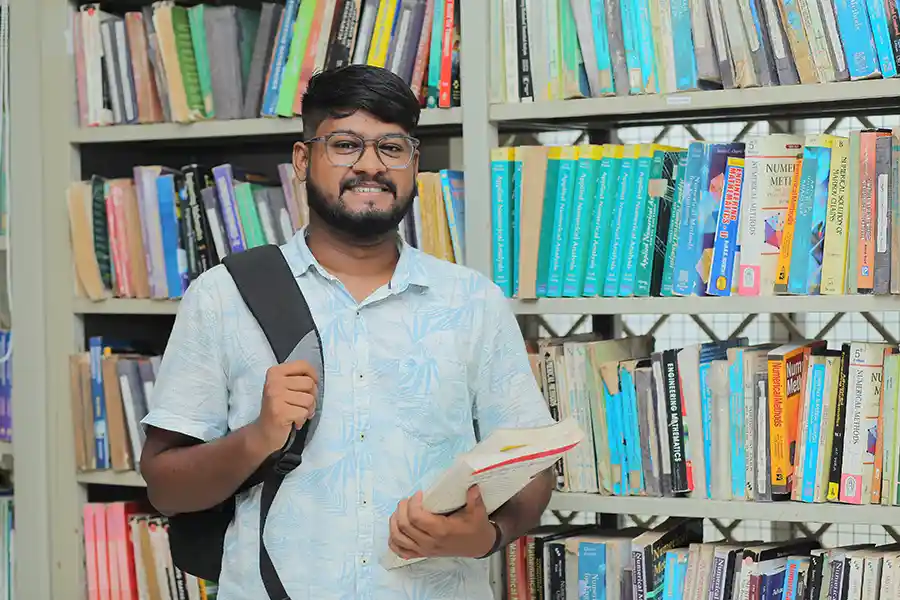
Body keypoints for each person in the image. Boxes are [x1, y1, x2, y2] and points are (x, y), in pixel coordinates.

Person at [139, 64, 556, 600]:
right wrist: (259, 436)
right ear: (302, 159)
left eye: (391, 148)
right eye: (345, 144)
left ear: (414, 163)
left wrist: (485, 536)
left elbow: (530, 468)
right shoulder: (224, 296)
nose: (370, 165)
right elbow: (166, 488)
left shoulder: (472, 302)